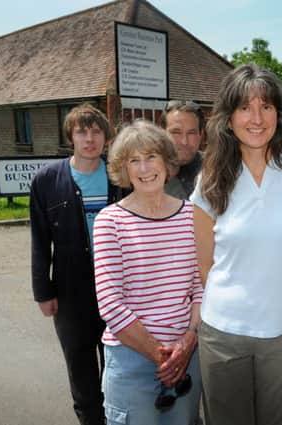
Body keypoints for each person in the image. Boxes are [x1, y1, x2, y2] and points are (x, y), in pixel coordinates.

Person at [191, 63, 282, 425]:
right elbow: (206, 268)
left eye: (265, 106)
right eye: (245, 107)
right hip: (223, 333)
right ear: (228, 117)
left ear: (279, 115)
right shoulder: (209, 179)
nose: (256, 118)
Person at [93, 120, 203, 425]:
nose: (144, 168)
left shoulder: (192, 216)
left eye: (151, 157)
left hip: (186, 355)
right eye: (133, 160)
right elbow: (109, 302)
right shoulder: (110, 221)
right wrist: (163, 357)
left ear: (167, 162)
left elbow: (202, 287)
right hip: (132, 360)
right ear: (123, 170)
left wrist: (189, 341)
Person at [30, 103, 117, 425]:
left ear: (106, 138)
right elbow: (39, 240)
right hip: (70, 291)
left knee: (116, 364)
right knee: (80, 366)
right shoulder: (47, 180)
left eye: (96, 132)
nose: (90, 139)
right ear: (71, 136)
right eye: (82, 132)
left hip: (116, 287)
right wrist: (43, 291)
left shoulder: (119, 176)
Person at [159, 100, 205, 199]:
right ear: (162, 133)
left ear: (201, 134)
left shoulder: (217, 170)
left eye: (191, 133)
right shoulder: (145, 171)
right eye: (176, 132)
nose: (184, 141)